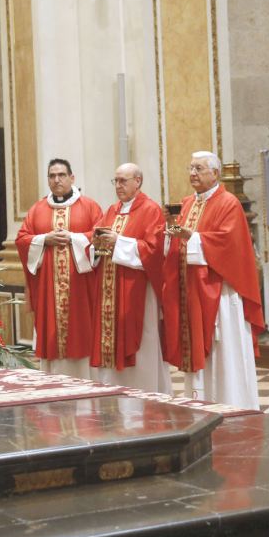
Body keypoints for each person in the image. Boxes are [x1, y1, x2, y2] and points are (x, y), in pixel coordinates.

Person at [160, 151, 264, 409]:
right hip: (193, 290)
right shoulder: (187, 203)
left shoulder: (229, 203)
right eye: (190, 168)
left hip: (220, 293)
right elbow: (182, 238)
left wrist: (191, 236)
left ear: (215, 173)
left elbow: (228, 244)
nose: (192, 173)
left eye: (199, 168)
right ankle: (201, 404)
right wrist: (170, 226)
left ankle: (233, 404)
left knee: (224, 352)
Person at [15, 158, 103, 378]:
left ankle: (87, 381)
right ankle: (53, 381)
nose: (57, 180)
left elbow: (101, 237)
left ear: (72, 178)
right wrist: (44, 239)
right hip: (49, 291)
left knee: (81, 331)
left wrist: (74, 238)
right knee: (52, 335)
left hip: (80, 289)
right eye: (52, 176)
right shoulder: (37, 209)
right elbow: (22, 239)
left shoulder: (89, 206)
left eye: (61, 175)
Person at [88, 163, 171, 393]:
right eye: (115, 181)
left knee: (142, 346)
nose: (118, 185)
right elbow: (95, 243)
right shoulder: (111, 210)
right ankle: (114, 395)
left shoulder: (151, 210)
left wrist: (119, 241)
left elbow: (153, 251)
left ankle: (143, 397)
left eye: (123, 181)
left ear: (138, 181)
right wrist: (96, 244)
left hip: (137, 292)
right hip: (110, 292)